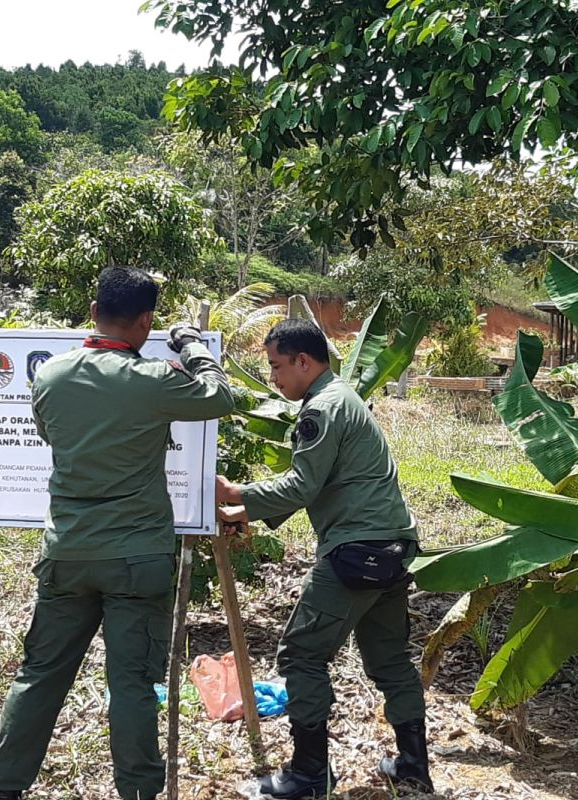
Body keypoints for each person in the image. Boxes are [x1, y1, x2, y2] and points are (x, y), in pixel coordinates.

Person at [0, 266, 234, 800]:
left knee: (40, 676)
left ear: (94, 311)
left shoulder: (49, 375)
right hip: (136, 557)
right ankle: (139, 793)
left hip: (68, 553)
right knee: (131, 687)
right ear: (146, 322)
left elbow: (51, 434)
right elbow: (218, 396)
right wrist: (192, 347)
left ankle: (3, 789)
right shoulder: (152, 381)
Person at [216, 319, 432, 799]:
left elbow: (301, 484)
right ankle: (414, 764)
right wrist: (245, 507)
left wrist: (237, 496)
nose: (273, 377)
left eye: (276, 366)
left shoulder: (322, 409)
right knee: (390, 659)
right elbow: (320, 483)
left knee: (301, 654)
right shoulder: (342, 398)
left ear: (303, 361)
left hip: (356, 551)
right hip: (394, 547)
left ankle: (310, 775)